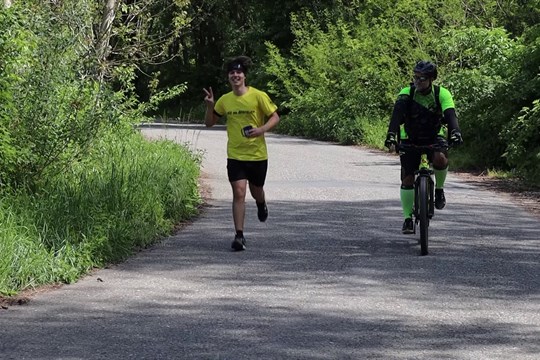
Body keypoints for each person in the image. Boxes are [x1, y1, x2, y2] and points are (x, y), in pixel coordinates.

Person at [203, 55, 280, 251]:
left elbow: (275, 116)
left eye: (238, 72)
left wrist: (261, 129)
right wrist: (210, 106)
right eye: (232, 73)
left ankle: (261, 203)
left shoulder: (258, 96)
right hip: (235, 155)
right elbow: (209, 123)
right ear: (228, 77)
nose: (235, 75)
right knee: (239, 193)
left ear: (244, 76)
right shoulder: (225, 100)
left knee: (256, 191)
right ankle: (239, 236)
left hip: (257, 155)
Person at [385, 60, 463, 234]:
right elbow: (397, 115)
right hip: (410, 138)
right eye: (416, 77)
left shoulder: (441, 93)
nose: (418, 81)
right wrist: (391, 134)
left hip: (434, 136)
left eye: (422, 78)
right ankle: (407, 219)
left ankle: (439, 190)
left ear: (431, 79)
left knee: (441, 159)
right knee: (407, 178)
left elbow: (451, 116)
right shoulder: (407, 93)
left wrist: (455, 132)